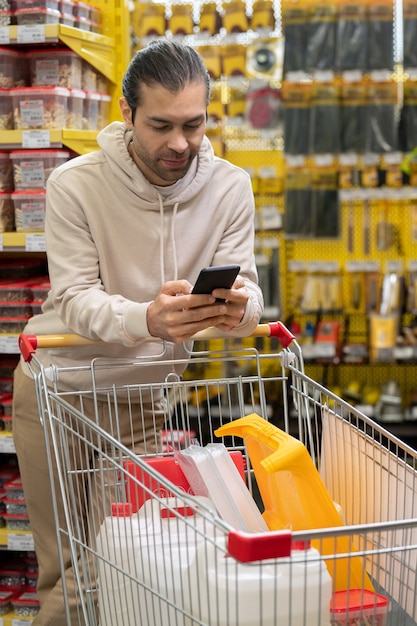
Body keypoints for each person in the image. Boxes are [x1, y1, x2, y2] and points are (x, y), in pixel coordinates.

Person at [12, 39, 263, 626]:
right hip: (58, 397)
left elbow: (248, 290)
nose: (180, 143)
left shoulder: (230, 187)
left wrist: (236, 309)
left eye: (194, 125)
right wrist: (145, 320)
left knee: (126, 567)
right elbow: (73, 299)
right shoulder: (76, 184)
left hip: (144, 403)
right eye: (161, 125)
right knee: (71, 575)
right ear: (126, 113)